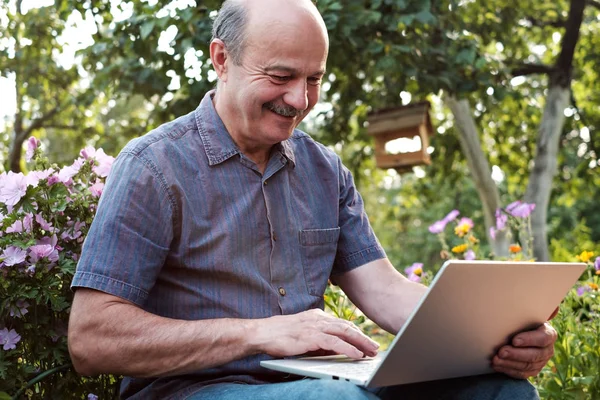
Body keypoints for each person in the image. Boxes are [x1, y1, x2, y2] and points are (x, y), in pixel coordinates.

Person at [68, 0, 557, 399]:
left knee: (500, 393)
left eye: (314, 79)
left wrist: (493, 337)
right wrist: (260, 333)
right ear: (221, 58)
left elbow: (383, 290)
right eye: (281, 76)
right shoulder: (154, 167)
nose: (300, 100)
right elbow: (91, 340)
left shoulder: (324, 171)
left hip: (322, 383)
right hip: (193, 389)